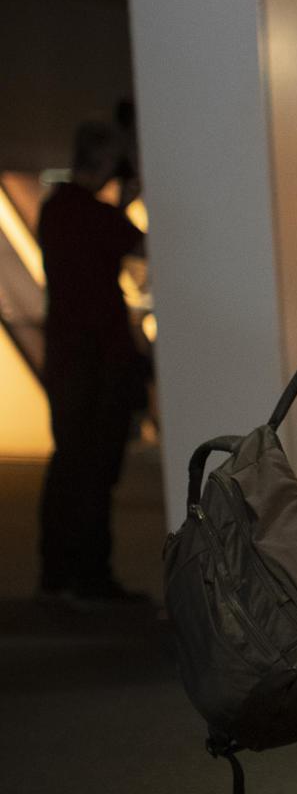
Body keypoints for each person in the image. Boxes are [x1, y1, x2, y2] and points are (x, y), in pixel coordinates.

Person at [36, 120, 150, 607]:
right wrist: (130, 195)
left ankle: (56, 572)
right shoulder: (94, 214)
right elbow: (140, 245)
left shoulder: (54, 208)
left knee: (68, 462)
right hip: (99, 359)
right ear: (105, 163)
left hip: (65, 353)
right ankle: (91, 575)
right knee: (96, 467)